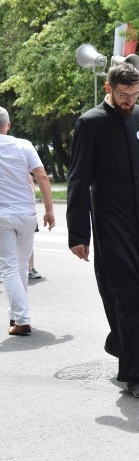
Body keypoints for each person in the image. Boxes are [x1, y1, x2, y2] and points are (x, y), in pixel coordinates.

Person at [66, 63, 139, 399]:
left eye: (134, 95)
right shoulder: (89, 124)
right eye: (123, 95)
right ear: (108, 88)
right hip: (112, 225)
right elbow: (77, 180)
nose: (129, 101)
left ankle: (135, 354)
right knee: (129, 296)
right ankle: (136, 375)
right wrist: (78, 234)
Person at [0, 105, 55, 335]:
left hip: (1, 215)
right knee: (21, 267)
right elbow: (41, 175)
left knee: (10, 268)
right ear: (8, 125)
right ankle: (16, 315)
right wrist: (49, 210)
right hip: (26, 214)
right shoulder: (24, 145)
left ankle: (22, 320)